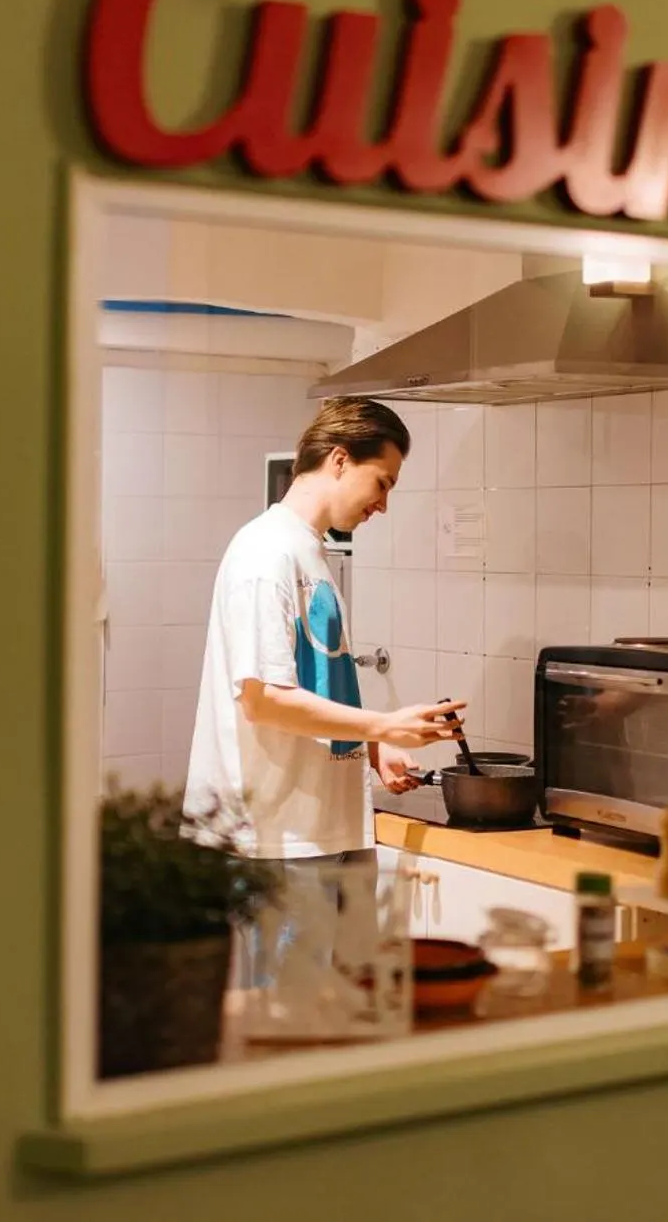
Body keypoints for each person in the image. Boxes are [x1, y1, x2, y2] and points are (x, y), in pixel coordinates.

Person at [183, 396, 466, 996]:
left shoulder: (308, 551)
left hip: (324, 827)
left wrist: (372, 748)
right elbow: (263, 698)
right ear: (340, 459)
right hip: (278, 836)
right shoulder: (266, 554)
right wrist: (383, 725)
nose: (383, 504)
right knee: (287, 1020)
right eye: (382, 482)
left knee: (337, 1013)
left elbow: (315, 678)